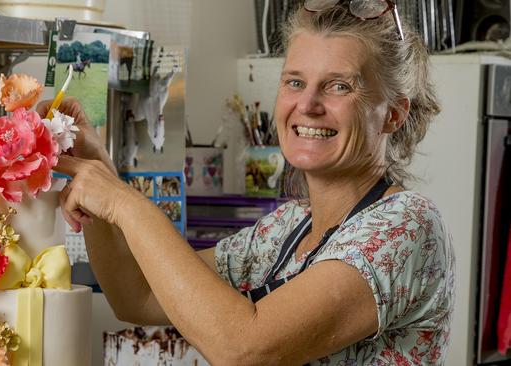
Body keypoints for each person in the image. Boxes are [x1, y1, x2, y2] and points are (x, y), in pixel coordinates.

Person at [39, 2, 455, 364]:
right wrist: (96, 168)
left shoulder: (406, 226)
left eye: (338, 86)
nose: (307, 105)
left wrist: (124, 203)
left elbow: (244, 350)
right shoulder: (284, 230)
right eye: (295, 82)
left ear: (393, 115)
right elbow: (139, 296)